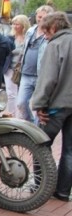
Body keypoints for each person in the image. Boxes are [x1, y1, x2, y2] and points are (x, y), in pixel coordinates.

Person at [31, 12, 72, 202]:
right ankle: (63, 191)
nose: (45, 36)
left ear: (53, 28)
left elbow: (48, 79)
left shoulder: (55, 45)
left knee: (40, 145)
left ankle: (40, 186)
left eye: (45, 32)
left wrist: (39, 104)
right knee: (69, 151)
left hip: (56, 105)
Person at [16, 5, 55, 122]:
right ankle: (30, 124)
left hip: (41, 75)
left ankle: (36, 131)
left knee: (39, 106)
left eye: (43, 17)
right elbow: (24, 49)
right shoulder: (30, 31)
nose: (40, 19)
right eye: (39, 17)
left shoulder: (50, 33)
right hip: (26, 73)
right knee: (21, 103)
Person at [2, 15, 30, 117]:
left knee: (23, 95)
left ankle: (22, 115)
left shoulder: (28, 38)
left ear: (23, 25)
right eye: (13, 23)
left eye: (17, 24)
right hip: (10, 68)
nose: (14, 26)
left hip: (23, 69)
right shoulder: (9, 38)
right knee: (11, 93)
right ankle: (12, 114)